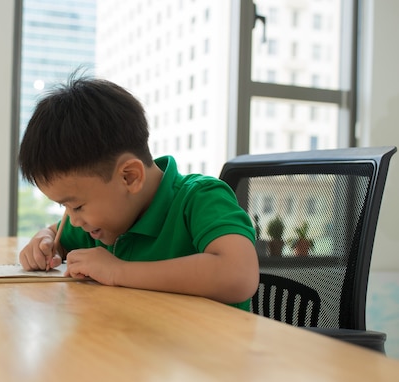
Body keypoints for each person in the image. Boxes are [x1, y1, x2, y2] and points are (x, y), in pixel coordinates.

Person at [18, 75, 259, 310]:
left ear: (129, 177)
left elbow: (238, 275)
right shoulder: (99, 223)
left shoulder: (202, 199)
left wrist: (118, 270)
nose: (73, 219)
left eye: (77, 206)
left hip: (214, 346)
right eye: (64, 207)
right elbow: (58, 238)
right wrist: (45, 241)